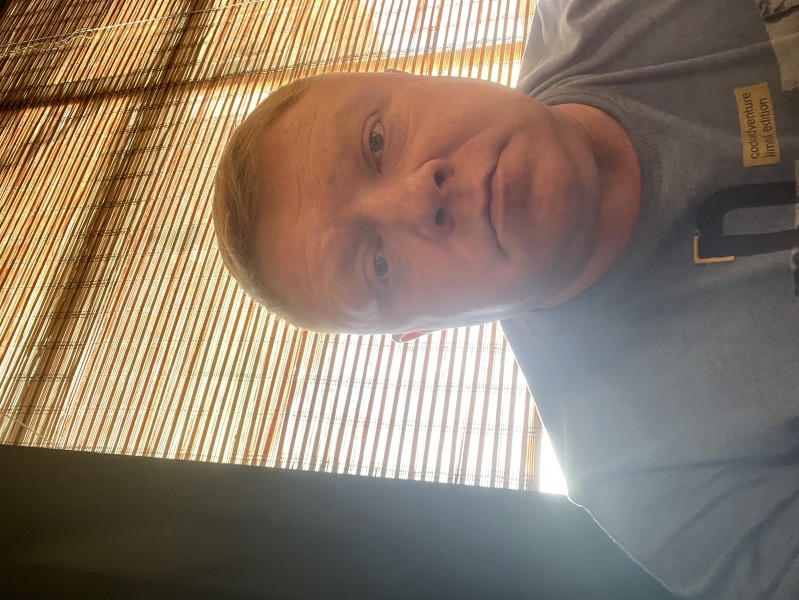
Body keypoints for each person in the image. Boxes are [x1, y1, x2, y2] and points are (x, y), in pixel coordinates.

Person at [213, 0, 799, 598]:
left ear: (407, 74)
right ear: (418, 330)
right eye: (378, 267)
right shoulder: (655, 479)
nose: (418, 199)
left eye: (377, 140)